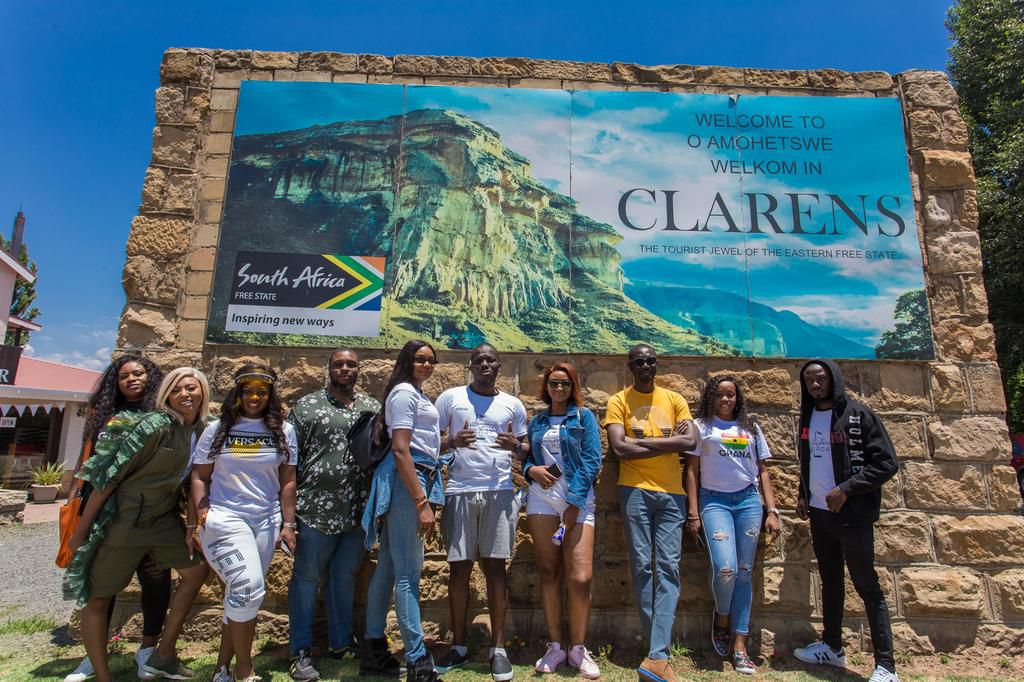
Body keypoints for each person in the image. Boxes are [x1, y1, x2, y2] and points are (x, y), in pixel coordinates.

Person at [64, 367, 212, 682]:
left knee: (197, 570)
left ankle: (163, 655)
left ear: (202, 392)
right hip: (125, 522)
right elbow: (108, 480)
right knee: (99, 596)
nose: (184, 395)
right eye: (177, 390)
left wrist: (190, 528)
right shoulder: (153, 426)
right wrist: (80, 532)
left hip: (162, 521)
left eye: (191, 388)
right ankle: (102, 674)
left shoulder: (200, 430)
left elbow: (192, 483)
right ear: (166, 395)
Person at [286, 349, 400, 681]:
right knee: (306, 580)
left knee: (343, 578)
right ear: (329, 369)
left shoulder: (371, 408)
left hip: (357, 511)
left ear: (358, 370)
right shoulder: (307, 407)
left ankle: (340, 643)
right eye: (339, 364)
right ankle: (301, 650)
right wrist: (289, 517)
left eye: (351, 364)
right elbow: (291, 461)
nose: (345, 369)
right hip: (315, 510)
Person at [793, 360, 900, 682]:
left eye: (821, 379)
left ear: (834, 380)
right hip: (820, 514)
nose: (815, 385)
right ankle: (833, 647)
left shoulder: (859, 415)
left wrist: (846, 490)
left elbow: (887, 464)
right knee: (831, 583)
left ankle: (886, 666)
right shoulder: (808, 417)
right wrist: (803, 493)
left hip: (852, 516)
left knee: (868, 587)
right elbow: (811, 459)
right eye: (809, 380)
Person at [191, 363, 298, 682]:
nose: (254, 397)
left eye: (261, 391)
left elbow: (288, 480)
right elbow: (199, 474)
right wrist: (201, 513)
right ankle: (244, 670)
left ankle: (221, 668)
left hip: (265, 520)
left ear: (270, 395)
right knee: (249, 589)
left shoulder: (284, 430)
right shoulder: (217, 428)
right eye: (247, 390)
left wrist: (288, 523)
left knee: (241, 594)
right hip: (225, 517)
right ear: (237, 393)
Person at [433, 344, 528, 682]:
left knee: (496, 569)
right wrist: (452, 441)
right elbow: (428, 442)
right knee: (458, 571)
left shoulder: (512, 405)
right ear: (470, 366)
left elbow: (525, 447)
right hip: (460, 491)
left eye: (491, 360)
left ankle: (498, 648)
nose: (485, 364)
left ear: (499, 366)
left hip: (500, 493)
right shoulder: (451, 398)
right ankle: (458, 645)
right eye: (479, 360)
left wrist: (514, 446)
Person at [604, 344, 695, 682]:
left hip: (672, 494)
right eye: (640, 361)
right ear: (630, 366)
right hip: (635, 492)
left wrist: (643, 443)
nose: (646, 366)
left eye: (651, 361)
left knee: (668, 568)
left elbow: (690, 442)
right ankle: (657, 655)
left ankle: (656, 656)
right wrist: (667, 442)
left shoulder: (674, 399)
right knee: (643, 566)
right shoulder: (619, 401)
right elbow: (619, 447)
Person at [684, 375, 780, 675]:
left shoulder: (750, 428)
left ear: (738, 399)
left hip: (748, 502)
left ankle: (740, 645)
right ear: (710, 397)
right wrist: (693, 512)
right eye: (720, 395)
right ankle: (722, 616)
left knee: (744, 572)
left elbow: (762, 471)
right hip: (714, 501)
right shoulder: (701, 427)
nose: (726, 400)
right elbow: (691, 471)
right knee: (724, 568)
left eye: (731, 395)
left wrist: (772, 509)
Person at [362, 340, 444, 682]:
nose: (425, 365)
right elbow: (400, 450)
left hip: (411, 478)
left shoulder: (415, 394)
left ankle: (373, 651)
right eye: (419, 359)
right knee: (410, 574)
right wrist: (421, 501)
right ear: (406, 361)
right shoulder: (404, 394)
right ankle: (418, 661)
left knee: (389, 569)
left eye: (430, 360)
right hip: (407, 482)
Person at [523, 362, 602, 679]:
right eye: (554, 384)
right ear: (546, 386)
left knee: (580, 578)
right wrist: (531, 470)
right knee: (549, 572)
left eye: (565, 384)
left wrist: (574, 501)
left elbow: (592, 459)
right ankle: (555, 646)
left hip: (577, 502)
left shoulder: (584, 418)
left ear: (573, 387)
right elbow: (529, 457)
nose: (559, 389)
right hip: (541, 500)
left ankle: (578, 649)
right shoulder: (538, 420)